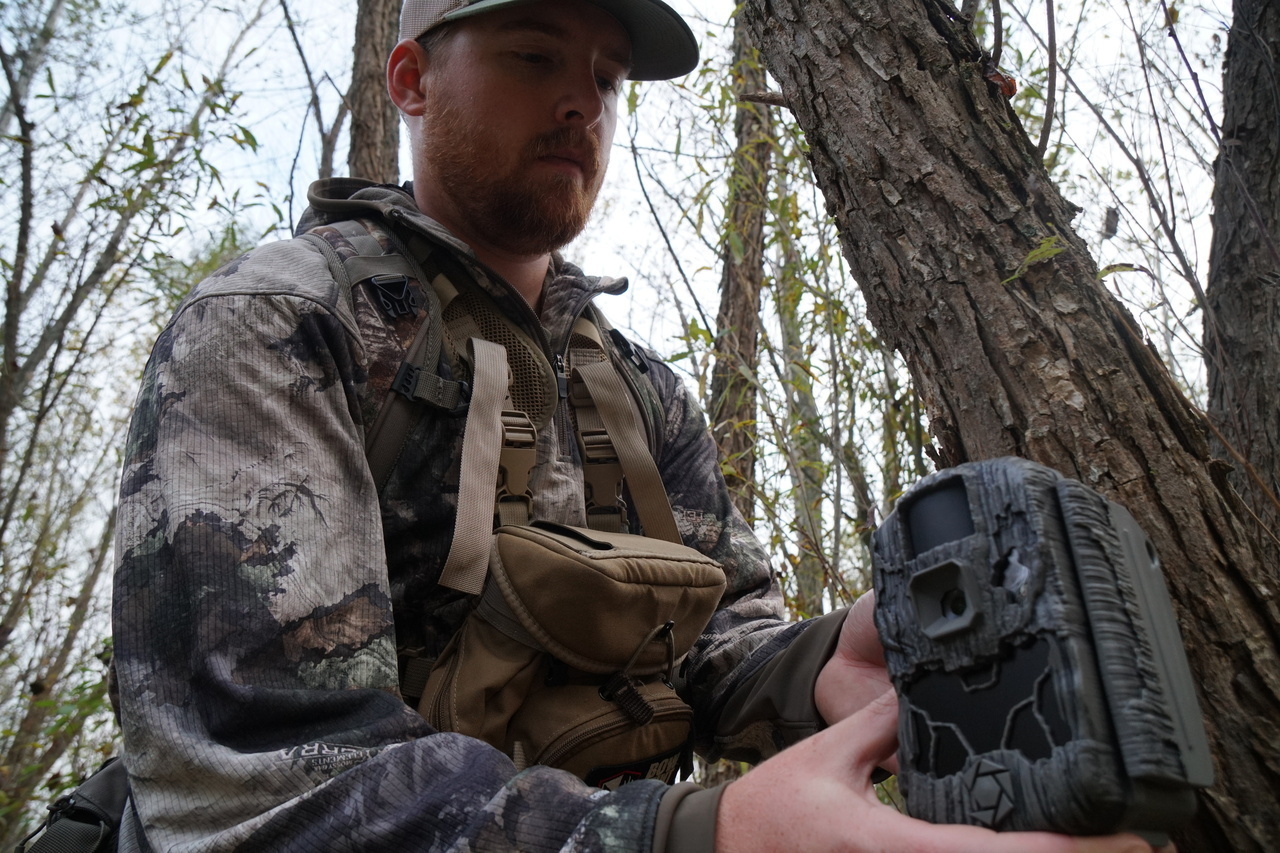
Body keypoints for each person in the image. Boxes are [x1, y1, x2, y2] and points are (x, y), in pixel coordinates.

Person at [110, 0, 1169, 850]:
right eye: (534, 56)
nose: (582, 102)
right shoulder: (281, 324)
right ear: (411, 81)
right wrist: (697, 833)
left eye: (609, 79)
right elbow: (262, 781)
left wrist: (822, 662)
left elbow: (713, 640)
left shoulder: (636, 386)